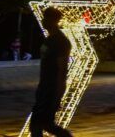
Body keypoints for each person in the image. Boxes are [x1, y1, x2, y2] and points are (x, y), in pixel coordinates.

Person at [30, 7, 72, 137]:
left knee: (41, 124)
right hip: (43, 87)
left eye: (45, 18)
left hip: (51, 88)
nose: (42, 21)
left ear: (53, 20)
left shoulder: (61, 41)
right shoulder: (49, 39)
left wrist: (58, 91)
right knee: (43, 124)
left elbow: (62, 68)